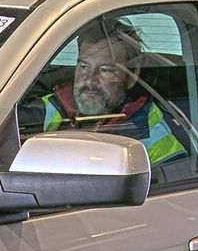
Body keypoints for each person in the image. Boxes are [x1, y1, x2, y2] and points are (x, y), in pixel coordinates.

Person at [27, 18, 188, 166]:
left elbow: (174, 191)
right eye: (83, 67)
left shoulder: (148, 128)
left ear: (132, 76)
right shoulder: (47, 108)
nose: (89, 80)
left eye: (105, 70)